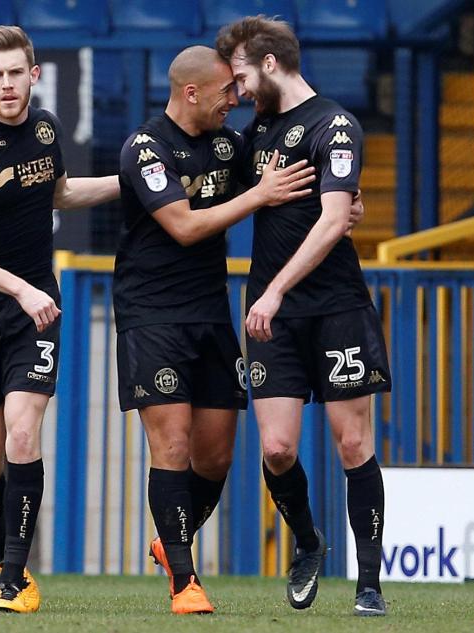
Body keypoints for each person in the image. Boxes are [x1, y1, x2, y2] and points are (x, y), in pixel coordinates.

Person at [113, 45, 318, 614]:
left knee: (215, 457)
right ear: (191, 91)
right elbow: (181, 225)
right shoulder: (146, 147)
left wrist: (343, 202)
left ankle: (169, 539)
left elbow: (283, 164)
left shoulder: (231, 142)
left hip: (209, 312)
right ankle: (185, 580)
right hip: (151, 314)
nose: (237, 99)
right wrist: (257, 196)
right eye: (227, 91)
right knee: (172, 445)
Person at [0, 25, 119, 614]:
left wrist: (129, 182)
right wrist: (15, 288)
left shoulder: (46, 130)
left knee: (22, 432)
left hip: (36, 308)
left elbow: (57, 194)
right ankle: (4, 554)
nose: (8, 85)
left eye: (18, 73)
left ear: (34, 76)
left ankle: (13, 580)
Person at [216, 17, 392, 617]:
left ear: (269, 63)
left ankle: (368, 586)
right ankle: (309, 542)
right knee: (277, 449)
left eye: (239, 75)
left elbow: (332, 220)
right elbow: (215, 188)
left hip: (335, 306)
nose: (235, 91)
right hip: (274, 318)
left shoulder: (333, 125)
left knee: (352, 441)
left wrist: (274, 290)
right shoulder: (256, 133)